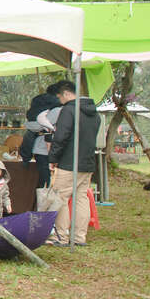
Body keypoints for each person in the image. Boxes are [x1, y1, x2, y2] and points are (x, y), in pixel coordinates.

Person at [48, 81, 100, 246]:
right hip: (87, 162)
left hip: (69, 163)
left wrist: (53, 158)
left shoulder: (69, 110)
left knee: (60, 198)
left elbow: (61, 137)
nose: (60, 101)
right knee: (81, 198)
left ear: (66, 93)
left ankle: (61, 236)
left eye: (59, 97)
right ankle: (79, 237)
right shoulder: (93, 112)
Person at [22, 82, 64, 187]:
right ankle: (45, 196)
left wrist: (28, 125)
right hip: (47, 149)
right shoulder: (58, 109)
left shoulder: (40, 104)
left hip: (39, 149)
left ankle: (42, 197)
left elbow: (36, 126)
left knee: (44, 180)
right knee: (48, 181)